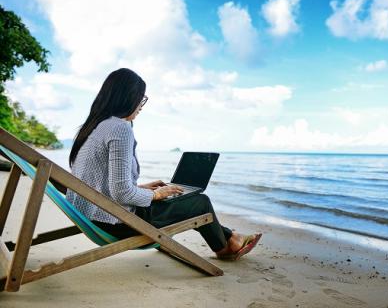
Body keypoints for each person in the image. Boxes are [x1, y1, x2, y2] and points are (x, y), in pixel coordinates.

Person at [65, 68, 261, 260]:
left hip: (91, 216)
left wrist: (140, 189)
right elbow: (121, 192)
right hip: (116, 222)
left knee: (175, 198)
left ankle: (232, 237)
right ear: (127, 97)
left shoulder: (93, 127)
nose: (141, 105)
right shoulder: (119, 128)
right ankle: (226, 247)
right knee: (200, 202)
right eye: (141, 98)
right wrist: (155, 194)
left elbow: (99, 181)